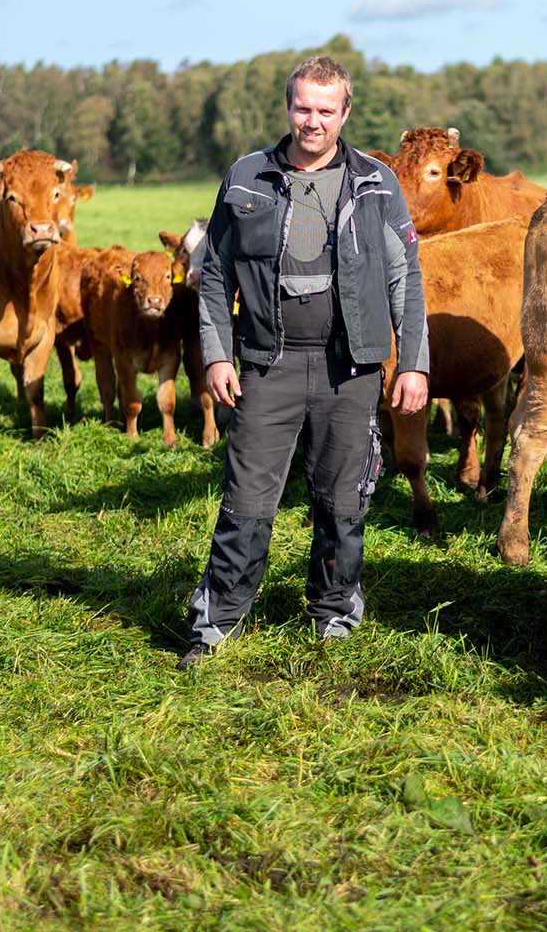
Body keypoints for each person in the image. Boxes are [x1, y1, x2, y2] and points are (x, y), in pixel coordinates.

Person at [179, 55, 429, 669]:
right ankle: (217, 623)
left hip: (351, 366)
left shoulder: (376, 182)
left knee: (345, 499)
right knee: (247, 498)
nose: (311, 121)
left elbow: (406, 277)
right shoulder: (246, 178)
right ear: (287, 107)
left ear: (345, 113)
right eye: (302, 108)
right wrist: (216, 355)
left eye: (325, 110)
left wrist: (415, 363)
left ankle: (334, 613)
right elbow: (213, 275)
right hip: (268, 362)